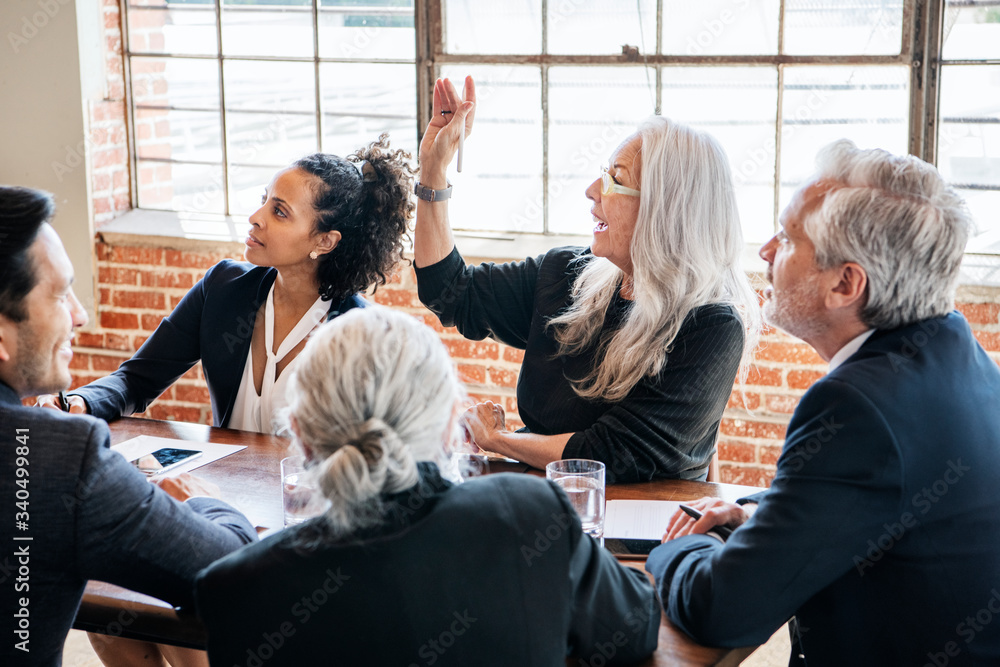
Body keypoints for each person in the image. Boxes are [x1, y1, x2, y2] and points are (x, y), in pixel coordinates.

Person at [645, 140, 1000, 665]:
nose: (765, 251)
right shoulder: (959, 351)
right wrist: (757, 515)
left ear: (845, 283)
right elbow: (876, 498)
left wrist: (669, 547)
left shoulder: (856, 407)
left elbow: (721, 608)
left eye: (788, 238)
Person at [194, 307, 661, 666]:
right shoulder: (528, 514)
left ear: (299, 433)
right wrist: (675, 553)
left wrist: (217, 516)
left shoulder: (235, 589)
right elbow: (637, 628)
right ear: (447, 430)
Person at [413, 77, 761, 483]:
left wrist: (500, 440)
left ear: (665, 210)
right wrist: (433, 170)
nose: (592, 190)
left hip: (643, 527)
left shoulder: (712, 325)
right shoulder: (565, 274)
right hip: (550, 503)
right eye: (602, 174)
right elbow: (452, 292)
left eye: (617, 180)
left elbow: (611, 453)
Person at [0, 186, 257, 667]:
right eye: (59, 295)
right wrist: (207, 502)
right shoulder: (59, 457)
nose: (81, 315)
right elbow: (233, 574)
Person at [39, 135, 414, 435]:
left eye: (279, 211)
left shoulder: (363, 333)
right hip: (231, 491)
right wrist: (81, 401)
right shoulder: (222, 288)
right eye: (264, 201)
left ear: (324, 242)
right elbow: (137, 380)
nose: (255, 218)